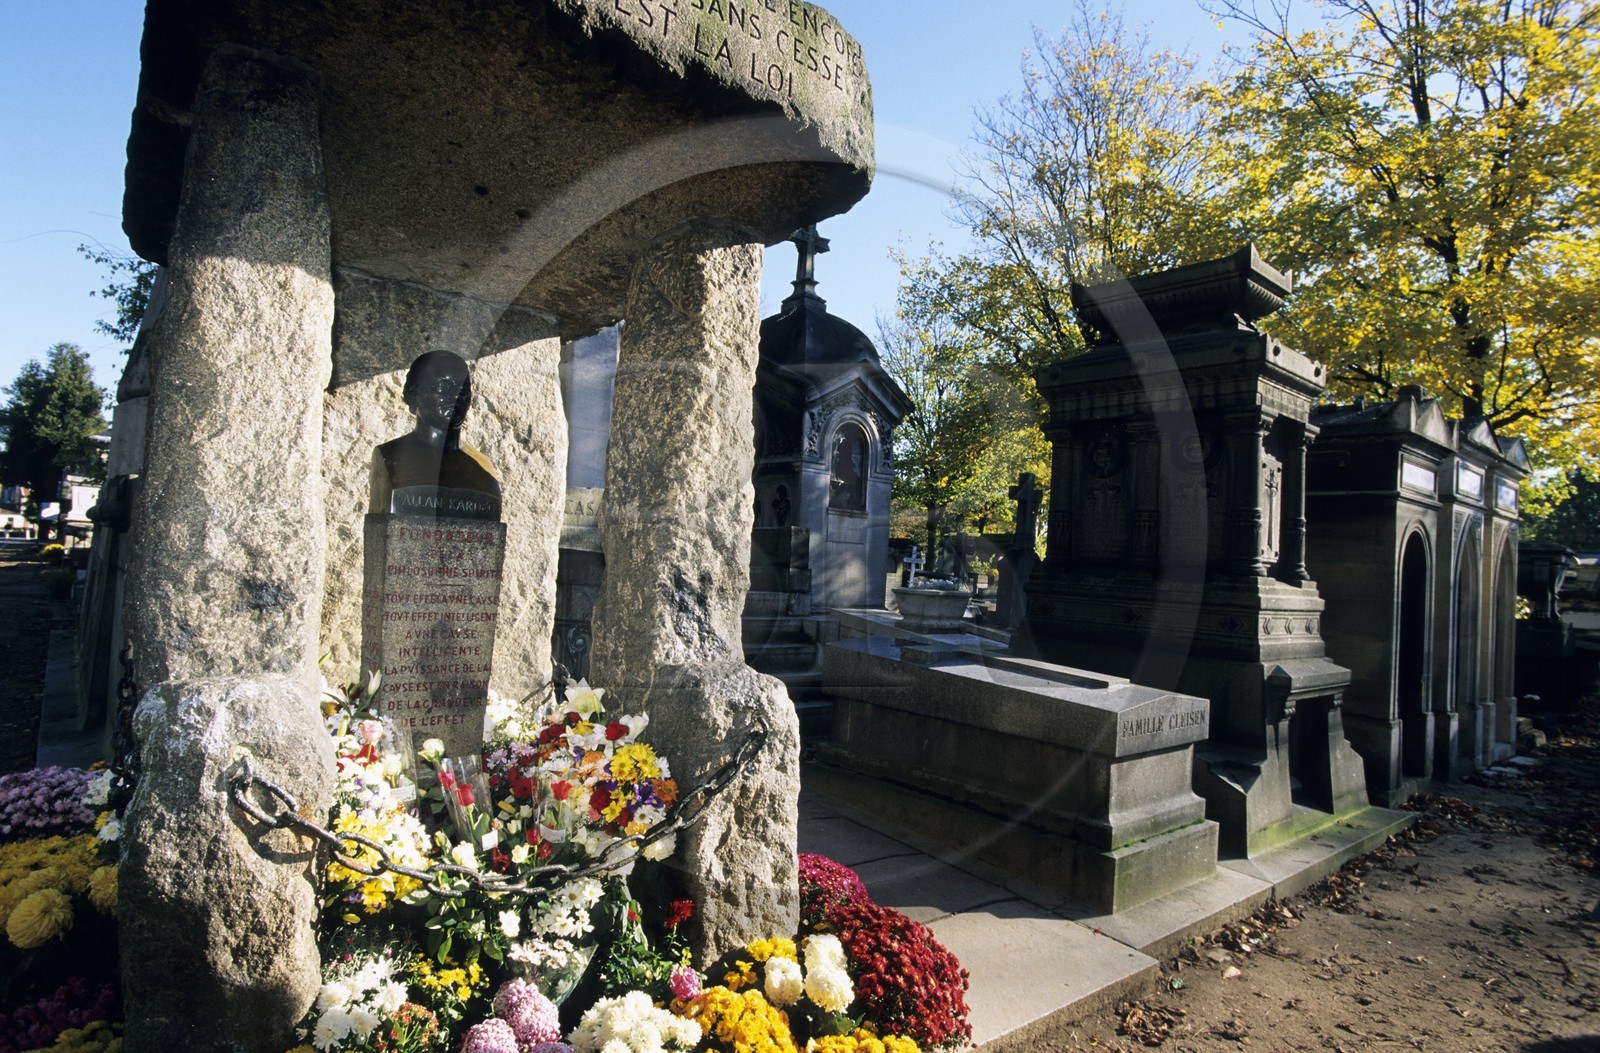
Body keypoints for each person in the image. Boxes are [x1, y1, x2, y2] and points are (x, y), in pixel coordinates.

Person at [370, 350, 501, 520]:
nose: (455, 397)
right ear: (414, 393)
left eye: (463, 389)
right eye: (442, 387)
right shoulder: (390, 456)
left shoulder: (483, 467)